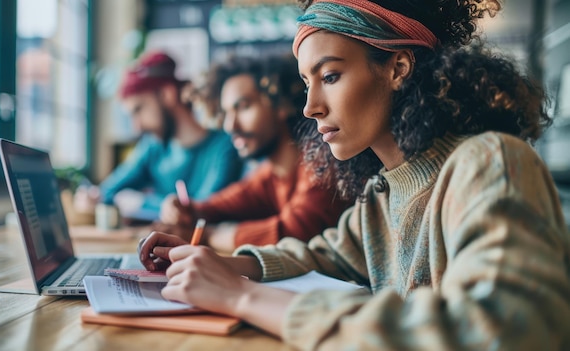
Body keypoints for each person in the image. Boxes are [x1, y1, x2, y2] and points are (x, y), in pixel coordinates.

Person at [138, 0, 570, 350]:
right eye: (308, 82)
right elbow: (327, 253)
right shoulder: (382, 193)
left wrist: (242, 296)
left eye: (330, 75)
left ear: (398, 68)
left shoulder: (491, 163)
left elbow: (502, 331)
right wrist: (230, 266)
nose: (310, 107)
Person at [156, 55, 352, 253]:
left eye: (243, 107)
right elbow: (226, 203)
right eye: (226, 113)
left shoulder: (322, 160)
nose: (230, 125)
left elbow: (295, 231)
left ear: (281, 105)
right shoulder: (270, 173)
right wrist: (187, 211)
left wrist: (206, 235)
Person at [75, 51, 244, 222]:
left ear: (167, 94)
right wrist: (93, 197)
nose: (137, 126)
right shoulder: (153, 147)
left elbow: (199, 212)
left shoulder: (225, 147)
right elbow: (106, 192)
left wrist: (139, 203)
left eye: (139, 109)